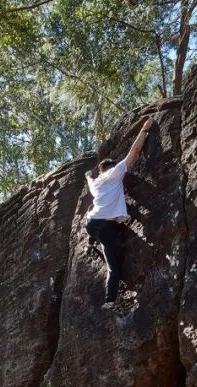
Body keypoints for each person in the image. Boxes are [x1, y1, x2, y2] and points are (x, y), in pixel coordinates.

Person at [85, 116, 155, 305]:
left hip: (91, 225)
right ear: (111, 167)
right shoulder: (114, 173)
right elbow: (134, 152)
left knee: (93, 211)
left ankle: (90, 242)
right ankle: (110, 301)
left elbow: (90, 182)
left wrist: (87, 176)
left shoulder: (96, 183)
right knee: (114, 264)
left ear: (100, 170)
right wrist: (145, 128)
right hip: (107, 228)